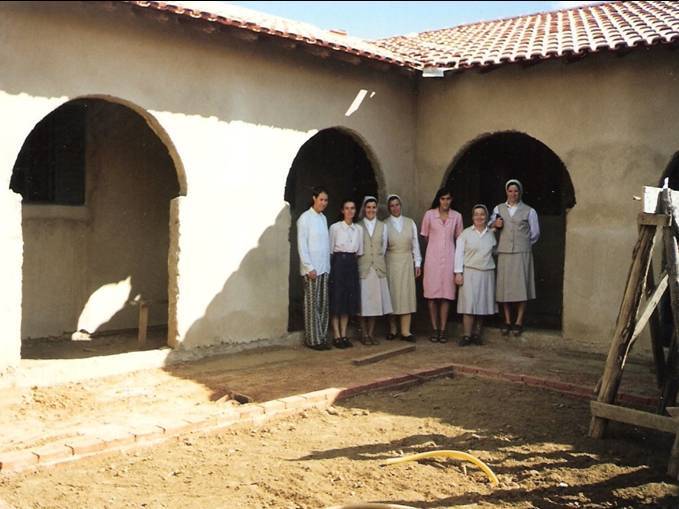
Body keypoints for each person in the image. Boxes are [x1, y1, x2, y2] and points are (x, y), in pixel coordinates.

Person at [490, 179, 540, 336]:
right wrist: (495, 225)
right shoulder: (498, 209)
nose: (513, 194)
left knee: (521, 287)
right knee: (504, 287)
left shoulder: (529, 211)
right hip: (504, 252)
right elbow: (491, 227)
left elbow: (535, 234)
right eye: (510, 191)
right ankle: (507, 320)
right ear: (506, 192)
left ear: (520, 192)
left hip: (521, 253)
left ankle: (518, 321)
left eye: (516, 191)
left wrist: (522, 244)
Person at [421, 187, 463, 343]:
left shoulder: (457, 216)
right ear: (438, 199)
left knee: (446, 296)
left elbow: (459, 239)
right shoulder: (429, 215)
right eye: (442, 198)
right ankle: (434, 329)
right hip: (432, 260)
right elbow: (426, 237)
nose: (445, 202)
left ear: (452, 200)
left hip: (450, 260)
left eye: (448, 199)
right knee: (432, 296)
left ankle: (443, 330)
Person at [454, 204, 498, 346]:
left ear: (486, 217)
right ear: (472, 217)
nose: (479, 217)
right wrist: (458, 273)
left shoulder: (491, 234)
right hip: (470, 272)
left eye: (482, 214)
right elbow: (459, 254)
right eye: (476, 214)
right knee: (469, 304)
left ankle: (477, 334)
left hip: (486, 273)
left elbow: (495, 252)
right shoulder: (465, 234)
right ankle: (466, 335)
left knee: (482, 304)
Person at [297, 187, 331, 350]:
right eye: (321, 199)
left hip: (323, 268)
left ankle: (322, 337)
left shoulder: (323, 218)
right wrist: (309, 266)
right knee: (312, 306)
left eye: (326, 200)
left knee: (322, 305)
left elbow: (325, 244)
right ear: (314, 199)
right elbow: (302, 244)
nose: (323, 203)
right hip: (311, 270)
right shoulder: (305, 218)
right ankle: (313, 340)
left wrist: (327, 267)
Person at [385, 194, 421, 342]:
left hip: (406, 261)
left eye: (397, 205)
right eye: (392, 206)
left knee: (406, 295)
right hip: (391, 261)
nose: (395, 208)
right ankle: (393, 329)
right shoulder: (385, 224)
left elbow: (415, 244)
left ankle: (406, 331)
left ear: (401, 206)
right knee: (393, 294)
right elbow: (382, 247)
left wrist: (417, 263)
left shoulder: (410, 222)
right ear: (389, 208)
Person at [357, 196, 393, 345]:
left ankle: (371, 333)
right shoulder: (358, 226)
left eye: (373, 207)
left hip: (377, 268)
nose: (371, 210)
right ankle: (364, 334)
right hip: (364, 268)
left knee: (374, 303)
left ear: (377, 209)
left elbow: (383, 248)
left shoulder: (383, 226)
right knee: (363, 303)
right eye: (368, 207)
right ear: (364, 209)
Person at [329, 199, 363, 348]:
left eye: (352, 208)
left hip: (351, 263)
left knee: (348, 301)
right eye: (347, 208)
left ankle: (344, 334)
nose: (350, 211)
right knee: (337, 298)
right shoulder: (335, 228)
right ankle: (336, 335)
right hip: (338, 263)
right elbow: (330, 249)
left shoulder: (358, 229)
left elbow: (359, 251)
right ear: (342, 211)